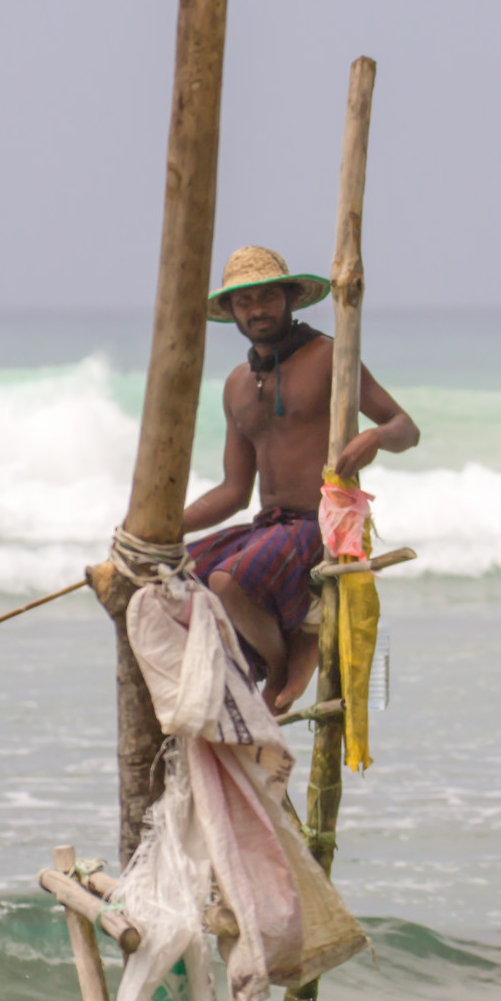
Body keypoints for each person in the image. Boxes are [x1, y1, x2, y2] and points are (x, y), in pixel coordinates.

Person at [181, 245, 420, 713]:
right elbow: (234, 492)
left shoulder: (330, 357)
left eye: (268, 296)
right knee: (179, 573)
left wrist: (374, 438)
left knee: (229, 581)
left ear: (289, 298)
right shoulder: (235, 385)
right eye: (245, 302)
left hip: (322, 526)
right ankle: (270, 648)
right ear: (230, 312)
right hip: (268, 526)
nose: (257, 309)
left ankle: (283, 659)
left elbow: (406, 428)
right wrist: (159, 528)